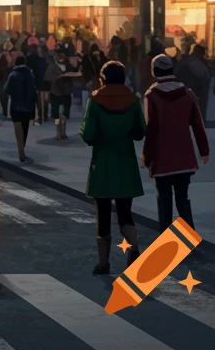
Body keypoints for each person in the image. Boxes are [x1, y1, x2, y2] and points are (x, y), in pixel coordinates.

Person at [80, 61, 145, 275]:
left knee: (103, 214)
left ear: (104, 78)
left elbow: (88, 134)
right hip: (125, 162)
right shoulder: (133, 101)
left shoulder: (95, 100)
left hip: (103, 163)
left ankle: (103, 262)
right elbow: (140, 132)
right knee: (125, 213)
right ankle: (134, 249)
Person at [142, 54, 210, 233]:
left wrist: (146, 156)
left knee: (164, 200)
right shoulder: (187, 93)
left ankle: (165, 240)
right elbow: (197, 123)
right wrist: (204, 150)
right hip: (184, 157)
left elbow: (151, 130)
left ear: (154, 71)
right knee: (182, 198)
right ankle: (189, 237)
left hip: (162, 157)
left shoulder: (152, 95)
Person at [2, 54, 37, 162]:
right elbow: (33, 89)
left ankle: (20, 149)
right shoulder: (30, 74)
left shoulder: (13, 74)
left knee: (18, 127)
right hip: (28, 105)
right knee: (25, 127)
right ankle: (23, 147)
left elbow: (6, 90)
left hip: (16, 105)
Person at [44, 46, 78, 139]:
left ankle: (63, 131)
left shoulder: (68, 65)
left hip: (66, 92)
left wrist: (75, 68)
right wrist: (57, 77)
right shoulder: (52, 65)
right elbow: (47, 76)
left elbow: (75, 72)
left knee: (65, 114)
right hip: (56, 92)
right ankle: (58, 131)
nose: (60, 57)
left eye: (62, 55)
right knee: (56, 115)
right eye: (59, 55)